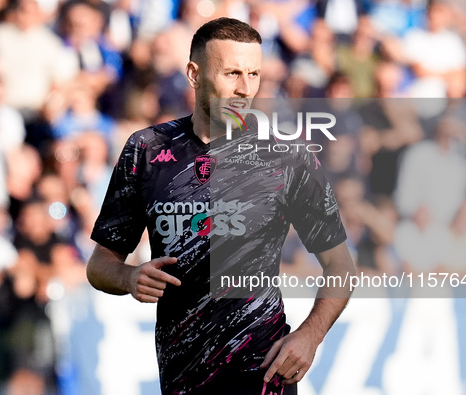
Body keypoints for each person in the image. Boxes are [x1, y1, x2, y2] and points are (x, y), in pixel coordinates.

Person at [86, 17, 356, 395]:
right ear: (194, 74)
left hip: (263, 373)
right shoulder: (146, 150)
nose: (245, 89)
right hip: (183, 378)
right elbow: (100, 264)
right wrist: (129, 278)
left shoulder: (287, 157)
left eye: (254, 74)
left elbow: (341, 265)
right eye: (232, 73)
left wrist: (310, 336)